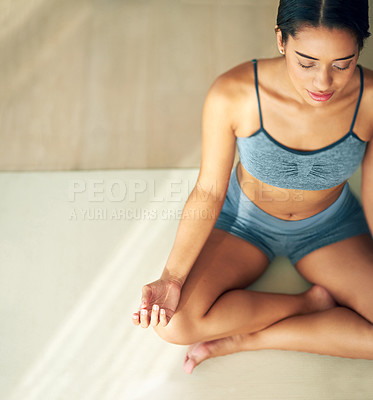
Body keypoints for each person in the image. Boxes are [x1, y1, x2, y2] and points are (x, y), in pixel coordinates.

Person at [132, 0, 373, 374]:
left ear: (360, 47)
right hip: (245, 222)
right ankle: (307, 307)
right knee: (175, 323)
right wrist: (172, 278)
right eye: (306, 62)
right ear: (281, 40)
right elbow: (209, 190)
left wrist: (249, 336)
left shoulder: (371, 99)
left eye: (342, 64)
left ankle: (250, 338)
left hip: (332, 227)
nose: (323, 83)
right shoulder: (234, 93)